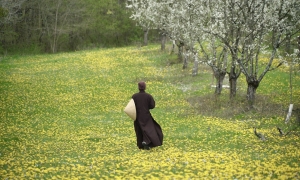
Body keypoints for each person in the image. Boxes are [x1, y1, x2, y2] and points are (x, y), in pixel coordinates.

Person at [132, 81, 163, 150]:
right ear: (145, 87)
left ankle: (142, 144)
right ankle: (147, 142)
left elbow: (131, 106)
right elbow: (152, 105)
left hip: (137, 116)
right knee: (150, 129)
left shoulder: (134, 96)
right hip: (146, 115)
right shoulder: (148, 96)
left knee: (140, 130)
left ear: (138, 87)